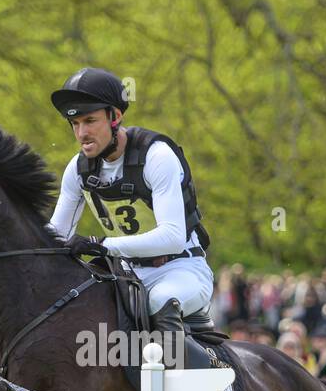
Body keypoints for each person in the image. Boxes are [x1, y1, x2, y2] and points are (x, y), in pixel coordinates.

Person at [47, 66, 213, 352]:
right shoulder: (77, 169)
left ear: (116, 117)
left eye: (90, 121)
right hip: (126, 276)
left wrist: (101, 245)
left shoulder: (157, 157)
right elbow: (55, 236)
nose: (81, 133)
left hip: (180, 269)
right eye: (74, 124)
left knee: (160, 301)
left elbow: (172, 236)